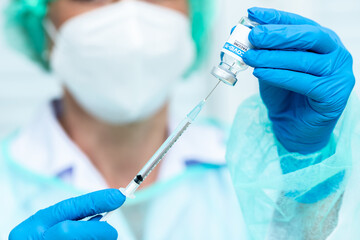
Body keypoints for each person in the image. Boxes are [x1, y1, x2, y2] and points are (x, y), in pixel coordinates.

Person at [1, 0, 356, 239]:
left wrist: (307, 167)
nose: (130, 21)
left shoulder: (260, 174)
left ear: (193, 16)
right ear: (39, 24)